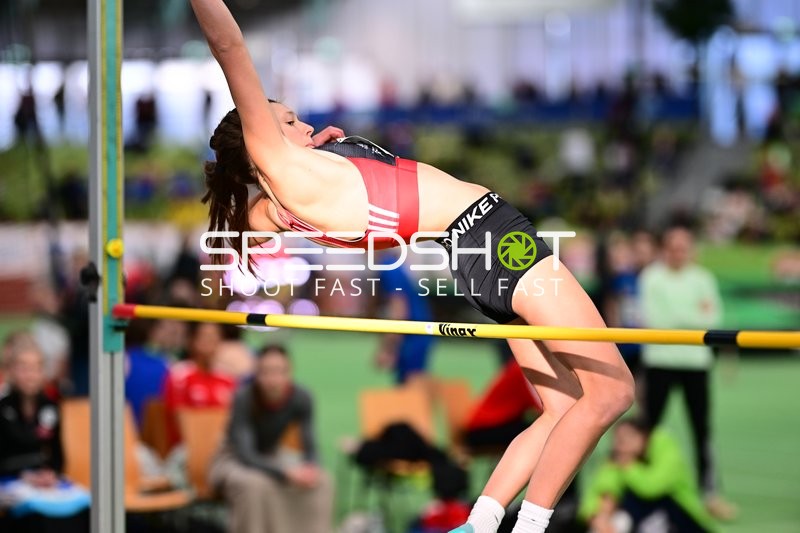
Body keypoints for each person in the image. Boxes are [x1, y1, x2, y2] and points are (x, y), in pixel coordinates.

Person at [190, 2, 635, 532]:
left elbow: (377, 228)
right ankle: (530, 526)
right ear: (262, 141)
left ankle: (479, 524)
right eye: (288, 120)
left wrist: (349, 159)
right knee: (612, 392)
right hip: (491, 239)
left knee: (564, 409)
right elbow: (229, 46)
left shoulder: (287, 203)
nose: (304, 124)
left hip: (472, 256)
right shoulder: (284, 167)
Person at [639, 225, 736, 521]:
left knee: (701, 429)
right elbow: (655, 319)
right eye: (673, 247)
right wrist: (692, 318)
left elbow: (714, 317)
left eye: (683, 247)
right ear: (664, 248)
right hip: (660, 361)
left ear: (691, 249)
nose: (678, 253)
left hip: (695, 363)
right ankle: (639, 491)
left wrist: (679, 320)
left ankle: (710, 494)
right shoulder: (651, 277)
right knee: (648, 428)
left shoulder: (703, 278)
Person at [209, 344, 333, 533]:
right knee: (255, 484)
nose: (273, 379)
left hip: (270, 456)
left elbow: (310, 446)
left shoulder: (302, 397)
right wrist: (285, 473)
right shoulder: (244, 397)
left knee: (322, 481)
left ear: (289, 372)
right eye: (266, 372)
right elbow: (246, 455)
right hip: (232, 459)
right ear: (257, 374)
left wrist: (310, 468)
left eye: (279, 371)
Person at [0, 336, 90, 531]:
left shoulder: (50, 406)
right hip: (10, 482)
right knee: (39, 517)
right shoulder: (3, 408)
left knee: (85, 507)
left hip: (42, 482)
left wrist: (51, 474)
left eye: (36, 368)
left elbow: (58, 455)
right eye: (23, 368)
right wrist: (24, 476)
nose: (30, 375)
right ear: (11, 371)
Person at [579, 418, 718, 533]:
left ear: (643, 437)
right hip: (647, 518)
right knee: (612, 513)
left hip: (684, 519)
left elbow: (651, 487)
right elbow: (602, 487)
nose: (620, 446)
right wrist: (599, 516)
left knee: (632, 507)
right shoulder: (621, 458)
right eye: (618, 440)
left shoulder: (666, 450)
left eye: (626, 438)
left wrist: (628, 466)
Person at [162, 321, 235, 449]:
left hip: (222, 448)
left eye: (215, 337)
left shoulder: (228, 379)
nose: (210, 342)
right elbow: (178, 420)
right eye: (205, 336)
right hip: (186, 448)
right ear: (192, 340)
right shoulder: (179, 375)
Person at [372, 251, 436, 385]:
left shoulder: (388, 267)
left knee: (410, 386)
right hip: (419, 331)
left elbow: (399, 309)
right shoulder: (394, 266)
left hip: (413, 335)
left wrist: (388, 347)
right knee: (415, 382)